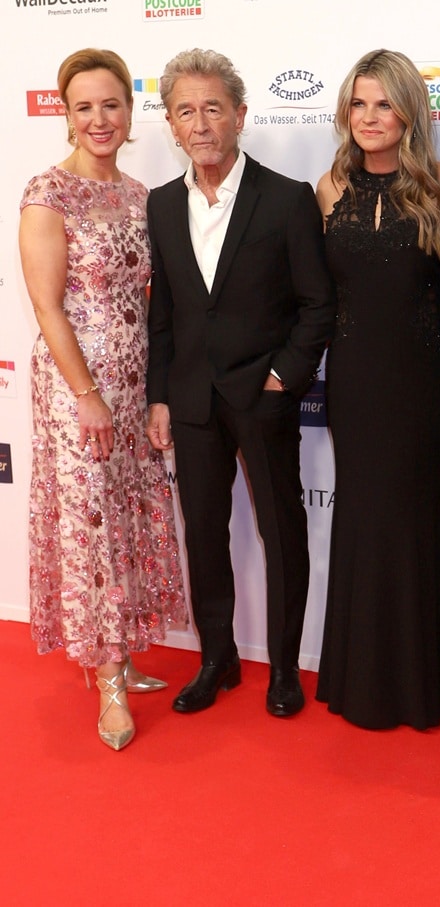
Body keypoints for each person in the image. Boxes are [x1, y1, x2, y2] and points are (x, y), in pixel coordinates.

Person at [146, 49, 336, 719]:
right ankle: (217, 658)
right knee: (204, 533)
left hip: (264, 396)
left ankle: (284, 666)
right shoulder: (163, 205)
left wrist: (284, 377)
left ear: (240, 116)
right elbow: (163, 312)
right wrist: (160, 394)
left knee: (281, 533)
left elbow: (318, 303)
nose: (201, 124)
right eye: (186, 111)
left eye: (213, 108)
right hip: (193, 399)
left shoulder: (285, 199)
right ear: (170, 123)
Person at [18, 48, 187, 751]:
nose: (99, 118)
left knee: (125, 518)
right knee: (91, 529)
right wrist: (87, 395)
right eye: (84, 106)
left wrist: (150, 393)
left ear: (129, 110)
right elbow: (48, 308)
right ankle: (109, 681)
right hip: (76, 387)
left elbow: (154, 303)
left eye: (111, 104)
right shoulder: (46, 193)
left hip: (132, 379)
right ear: (64, 112)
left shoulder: (139, 193)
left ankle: (123, 653)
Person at [314, 49, 440, 730]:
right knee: (363, 519)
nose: (369, 117)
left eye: (383, 103)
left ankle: (420, 686)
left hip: (422, 383)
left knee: (414, 519)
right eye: (358, 103)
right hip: (352, 381)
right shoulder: (328, 188)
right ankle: (360, 681)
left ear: (410, 110)